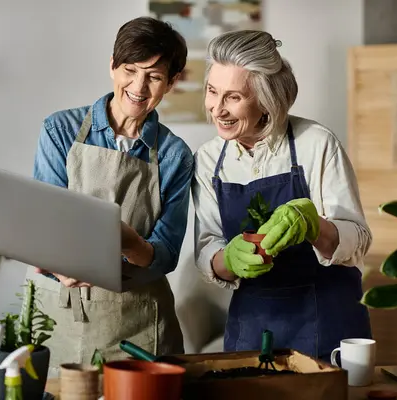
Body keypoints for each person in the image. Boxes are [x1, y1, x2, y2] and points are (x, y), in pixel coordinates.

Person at [192, 30, 373, 362]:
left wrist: (314, 225)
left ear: (266, 98)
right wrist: (229, 258)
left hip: (328, 320)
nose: (217, 109)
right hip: (252, 327)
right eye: (212, 91)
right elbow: (207, 248)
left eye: (233, 97)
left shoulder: (315, 143)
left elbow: (360, 239)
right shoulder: (208, 161)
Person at [26, 16, 193, 373]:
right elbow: (44, 221)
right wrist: (61, 265)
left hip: (138, 322)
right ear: (112, 66)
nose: (138, 86)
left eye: (154, 76)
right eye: (130, 70)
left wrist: (129, 243)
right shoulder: (60, 130)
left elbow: (166, 254)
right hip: (59, 315)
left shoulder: (175, 155)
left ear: (172, 82)